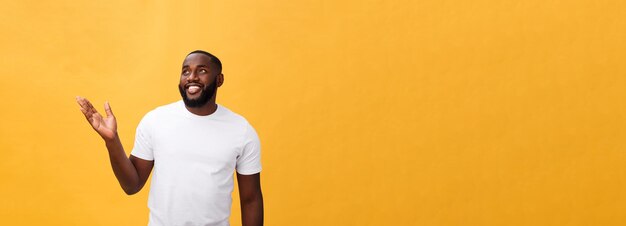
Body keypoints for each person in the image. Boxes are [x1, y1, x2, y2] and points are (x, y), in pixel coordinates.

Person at [76, 50, 263, 226]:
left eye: (202, 71)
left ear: (219, 79)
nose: (192, 77)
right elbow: (131, 185)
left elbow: (251, 199)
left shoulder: (241, 131)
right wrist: (112, 141)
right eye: (185, 71)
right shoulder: (155, 121)